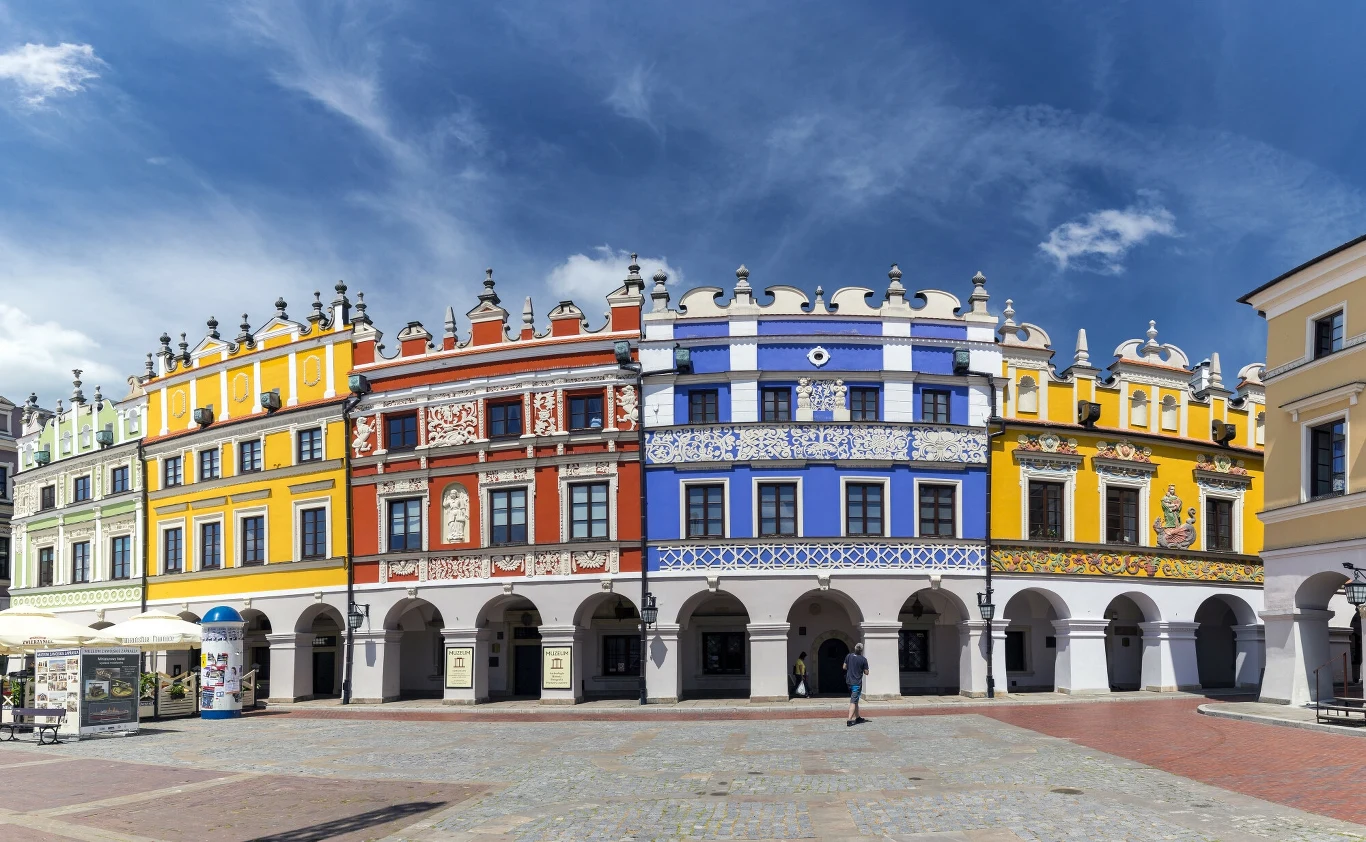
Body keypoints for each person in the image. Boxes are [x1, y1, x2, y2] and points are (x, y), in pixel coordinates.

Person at [843, 642, 869, 726]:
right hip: (856, 683)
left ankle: (858, 718)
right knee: (853, 701)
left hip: (849, 682)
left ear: (855, 648)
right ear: (862, 650)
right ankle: (849, 720)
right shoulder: (863, 659)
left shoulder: (849, 656)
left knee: (856, 700)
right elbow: (866, 672)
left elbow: (844, 667)